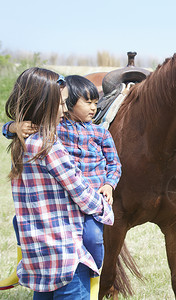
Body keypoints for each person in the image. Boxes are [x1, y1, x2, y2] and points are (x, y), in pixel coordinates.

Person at [1, 75, 122, 299]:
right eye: (61, 103)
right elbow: (83, 196)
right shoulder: (50, 143)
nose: (63, 109)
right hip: (66, 256)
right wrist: (104, 206)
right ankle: (93, 275)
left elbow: (114, 164)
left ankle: (92, 277)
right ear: (44, 104)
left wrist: (109, 184)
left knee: (92, 238)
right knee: (94, 238)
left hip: (42, 258)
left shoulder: (22, 143)